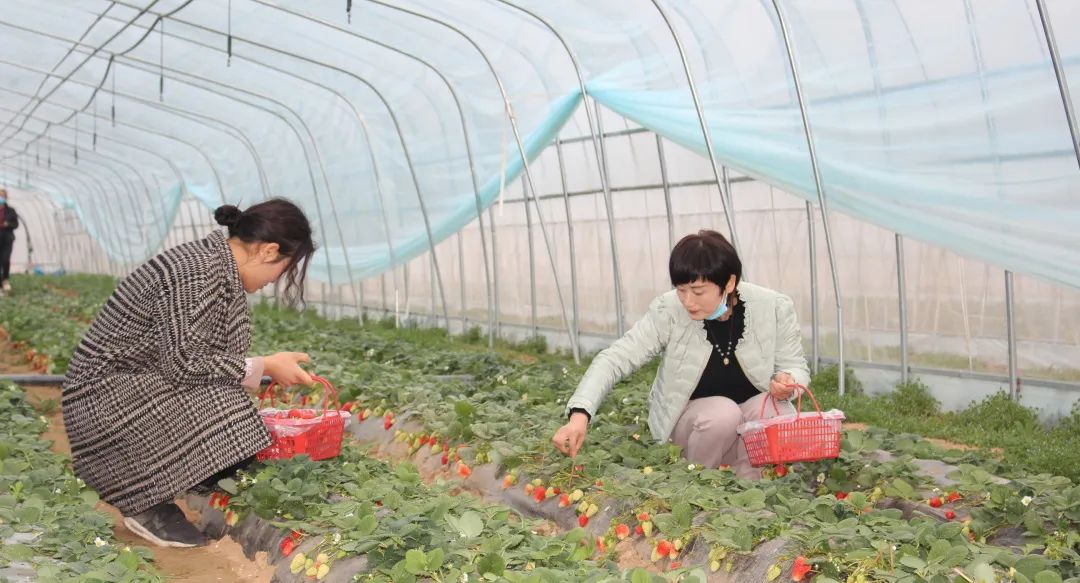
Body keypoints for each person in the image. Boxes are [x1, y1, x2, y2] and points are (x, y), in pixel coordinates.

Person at [62, 198, 317, 548]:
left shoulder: (211, 263)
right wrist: (266, 365)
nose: (275, 281)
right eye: (283, 269)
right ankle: (143, 500)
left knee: (231, 408)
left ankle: (191, 475)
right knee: (226, 405)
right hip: (103, 399)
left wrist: (259, 367)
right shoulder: (197, 270)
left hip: (126, 384)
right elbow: (185, 363)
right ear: (268, 251)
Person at [552, 230, 811, 479]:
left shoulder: (773, 307)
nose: (688, 301)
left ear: (729, 283)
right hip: (694, 423)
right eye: (681, 289)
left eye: (698, 292)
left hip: (749, 422)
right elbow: (615, 359)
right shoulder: (669, 311)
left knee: (775, 411)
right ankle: (696, 482)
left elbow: (795, 365)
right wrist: (580, 415)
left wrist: (787, 380)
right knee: (723, 414)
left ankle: (749, 490)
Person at [0, 188, 20, 294]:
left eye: (2, 196)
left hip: (7, 238)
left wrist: (8, 224)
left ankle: (5, 280)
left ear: (6, 198)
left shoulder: (11, 211)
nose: (1, 198)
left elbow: (16, 224)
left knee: (5, 260)